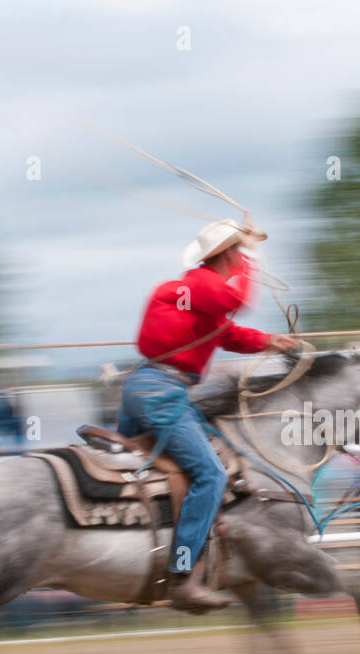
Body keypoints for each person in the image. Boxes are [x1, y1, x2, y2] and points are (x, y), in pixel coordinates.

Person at [118, 216, 298, 613]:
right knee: (212, 474)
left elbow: (228, 332)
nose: (240, 258)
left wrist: (271, 342)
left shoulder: (196, 295)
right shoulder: (200, 285)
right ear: (226, 253)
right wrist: (251, 252)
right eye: (236, 250)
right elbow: (235, 302)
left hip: (144, 389)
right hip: (161, 393)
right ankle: (183, 575)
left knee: (137, 470)